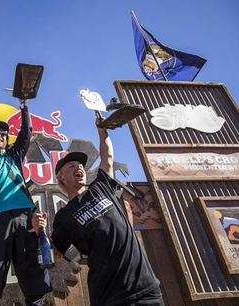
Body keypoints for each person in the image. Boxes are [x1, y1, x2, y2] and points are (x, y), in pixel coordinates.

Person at [32, 117, 163, 306]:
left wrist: (102, 132)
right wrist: (39, 231)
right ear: (61, 176)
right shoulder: (64, 215)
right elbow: (55, 255)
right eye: (71, 165)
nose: (78, 167)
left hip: (145, 289)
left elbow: (107, 157)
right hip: (108, 297)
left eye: (80, 165)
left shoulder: (101, 187)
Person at [0, 98, 51, 306]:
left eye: (3, 133)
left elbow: (26, 132)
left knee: (35, 281)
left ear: (7, 138)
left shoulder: (14, 155)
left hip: (24, 216)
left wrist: (24, 106)